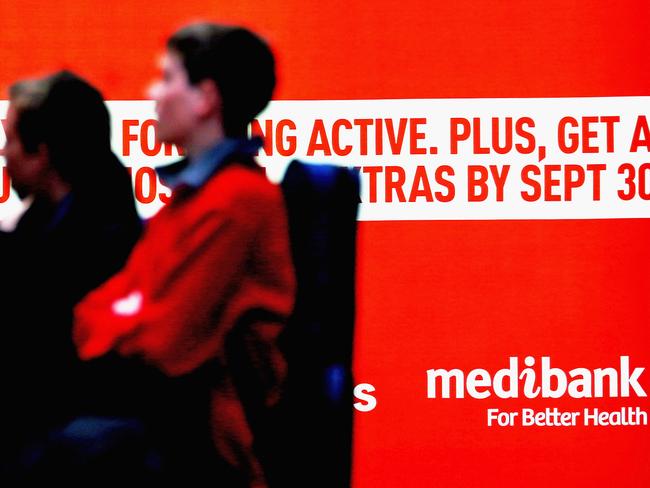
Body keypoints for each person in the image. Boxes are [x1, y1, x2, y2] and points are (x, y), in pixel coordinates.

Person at [73, 23, 295, 488]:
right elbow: (109, 304)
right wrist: (123, 318)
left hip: (202, 448)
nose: (153, 92)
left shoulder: (236, 202)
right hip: (165, 429)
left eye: (168, 77)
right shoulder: (189, 200)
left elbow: (164, 343)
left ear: (205, 98)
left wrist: (117, 322)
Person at [0, 71, 143, 475]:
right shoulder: (52, 224)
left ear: (42, 153)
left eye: (9, 139)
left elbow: (33, 360)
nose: (3, 153)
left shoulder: (91, 248)